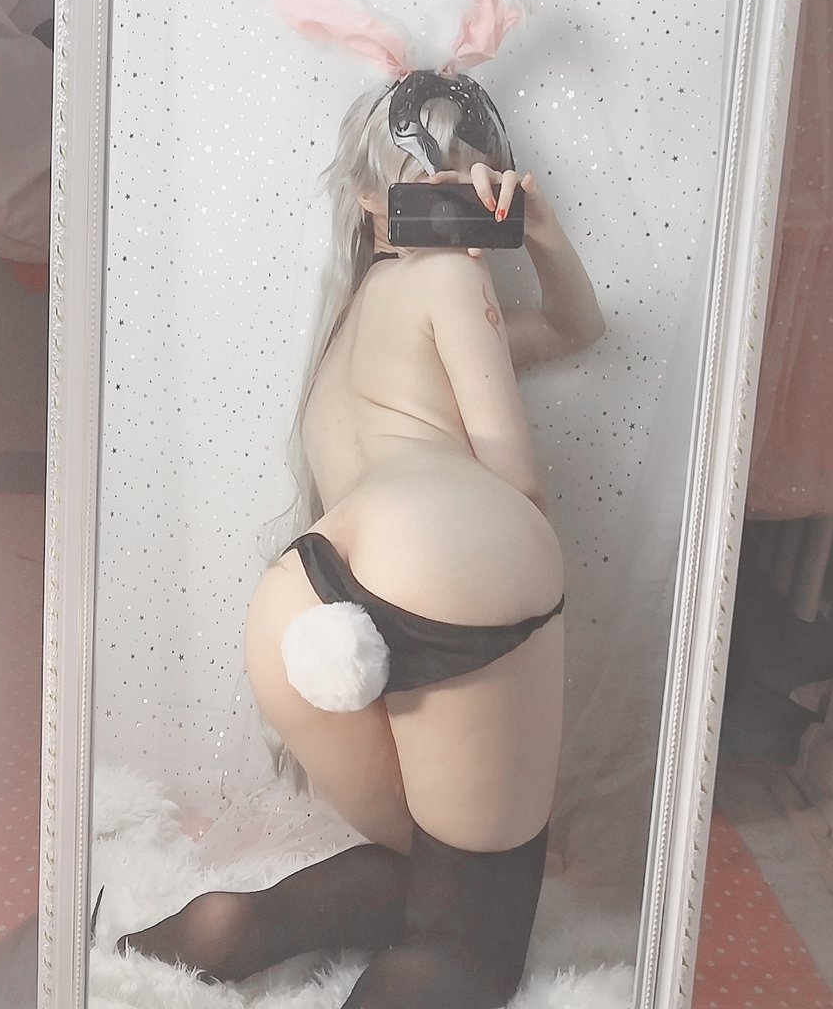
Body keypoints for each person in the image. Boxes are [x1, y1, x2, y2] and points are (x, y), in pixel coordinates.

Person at [119, 65, 604, 1008]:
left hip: (300, 597)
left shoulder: (344, 327)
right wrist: (532, 593)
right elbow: (516, 479)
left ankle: (231, 927)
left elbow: (574, 327)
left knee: (434, 870)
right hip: (445, 556)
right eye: (440, 188)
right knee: (471, 937)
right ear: (373, 198)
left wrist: (540, 230)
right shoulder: (449, 278)